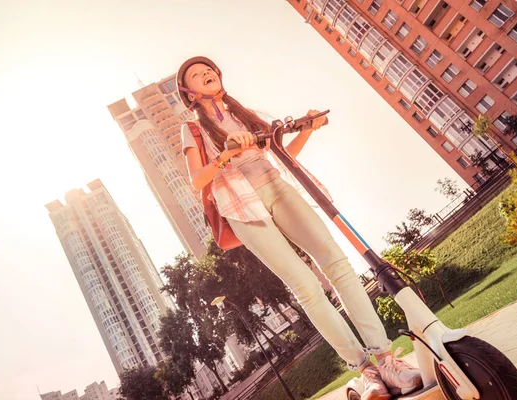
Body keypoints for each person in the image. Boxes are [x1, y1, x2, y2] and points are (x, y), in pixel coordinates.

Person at [176, 56, 422, 400]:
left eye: (209, 71)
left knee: (337, 264)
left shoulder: (244, 114)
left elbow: (282, 153)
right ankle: (365, 370)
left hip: (278, 186)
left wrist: (306, 129)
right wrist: (226, 154)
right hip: (241, 208)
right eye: (196, 75)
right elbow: (196, 180)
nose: (205, 75)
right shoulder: (194, 128)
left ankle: (385, 358)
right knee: (305, 286)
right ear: (189, 94)